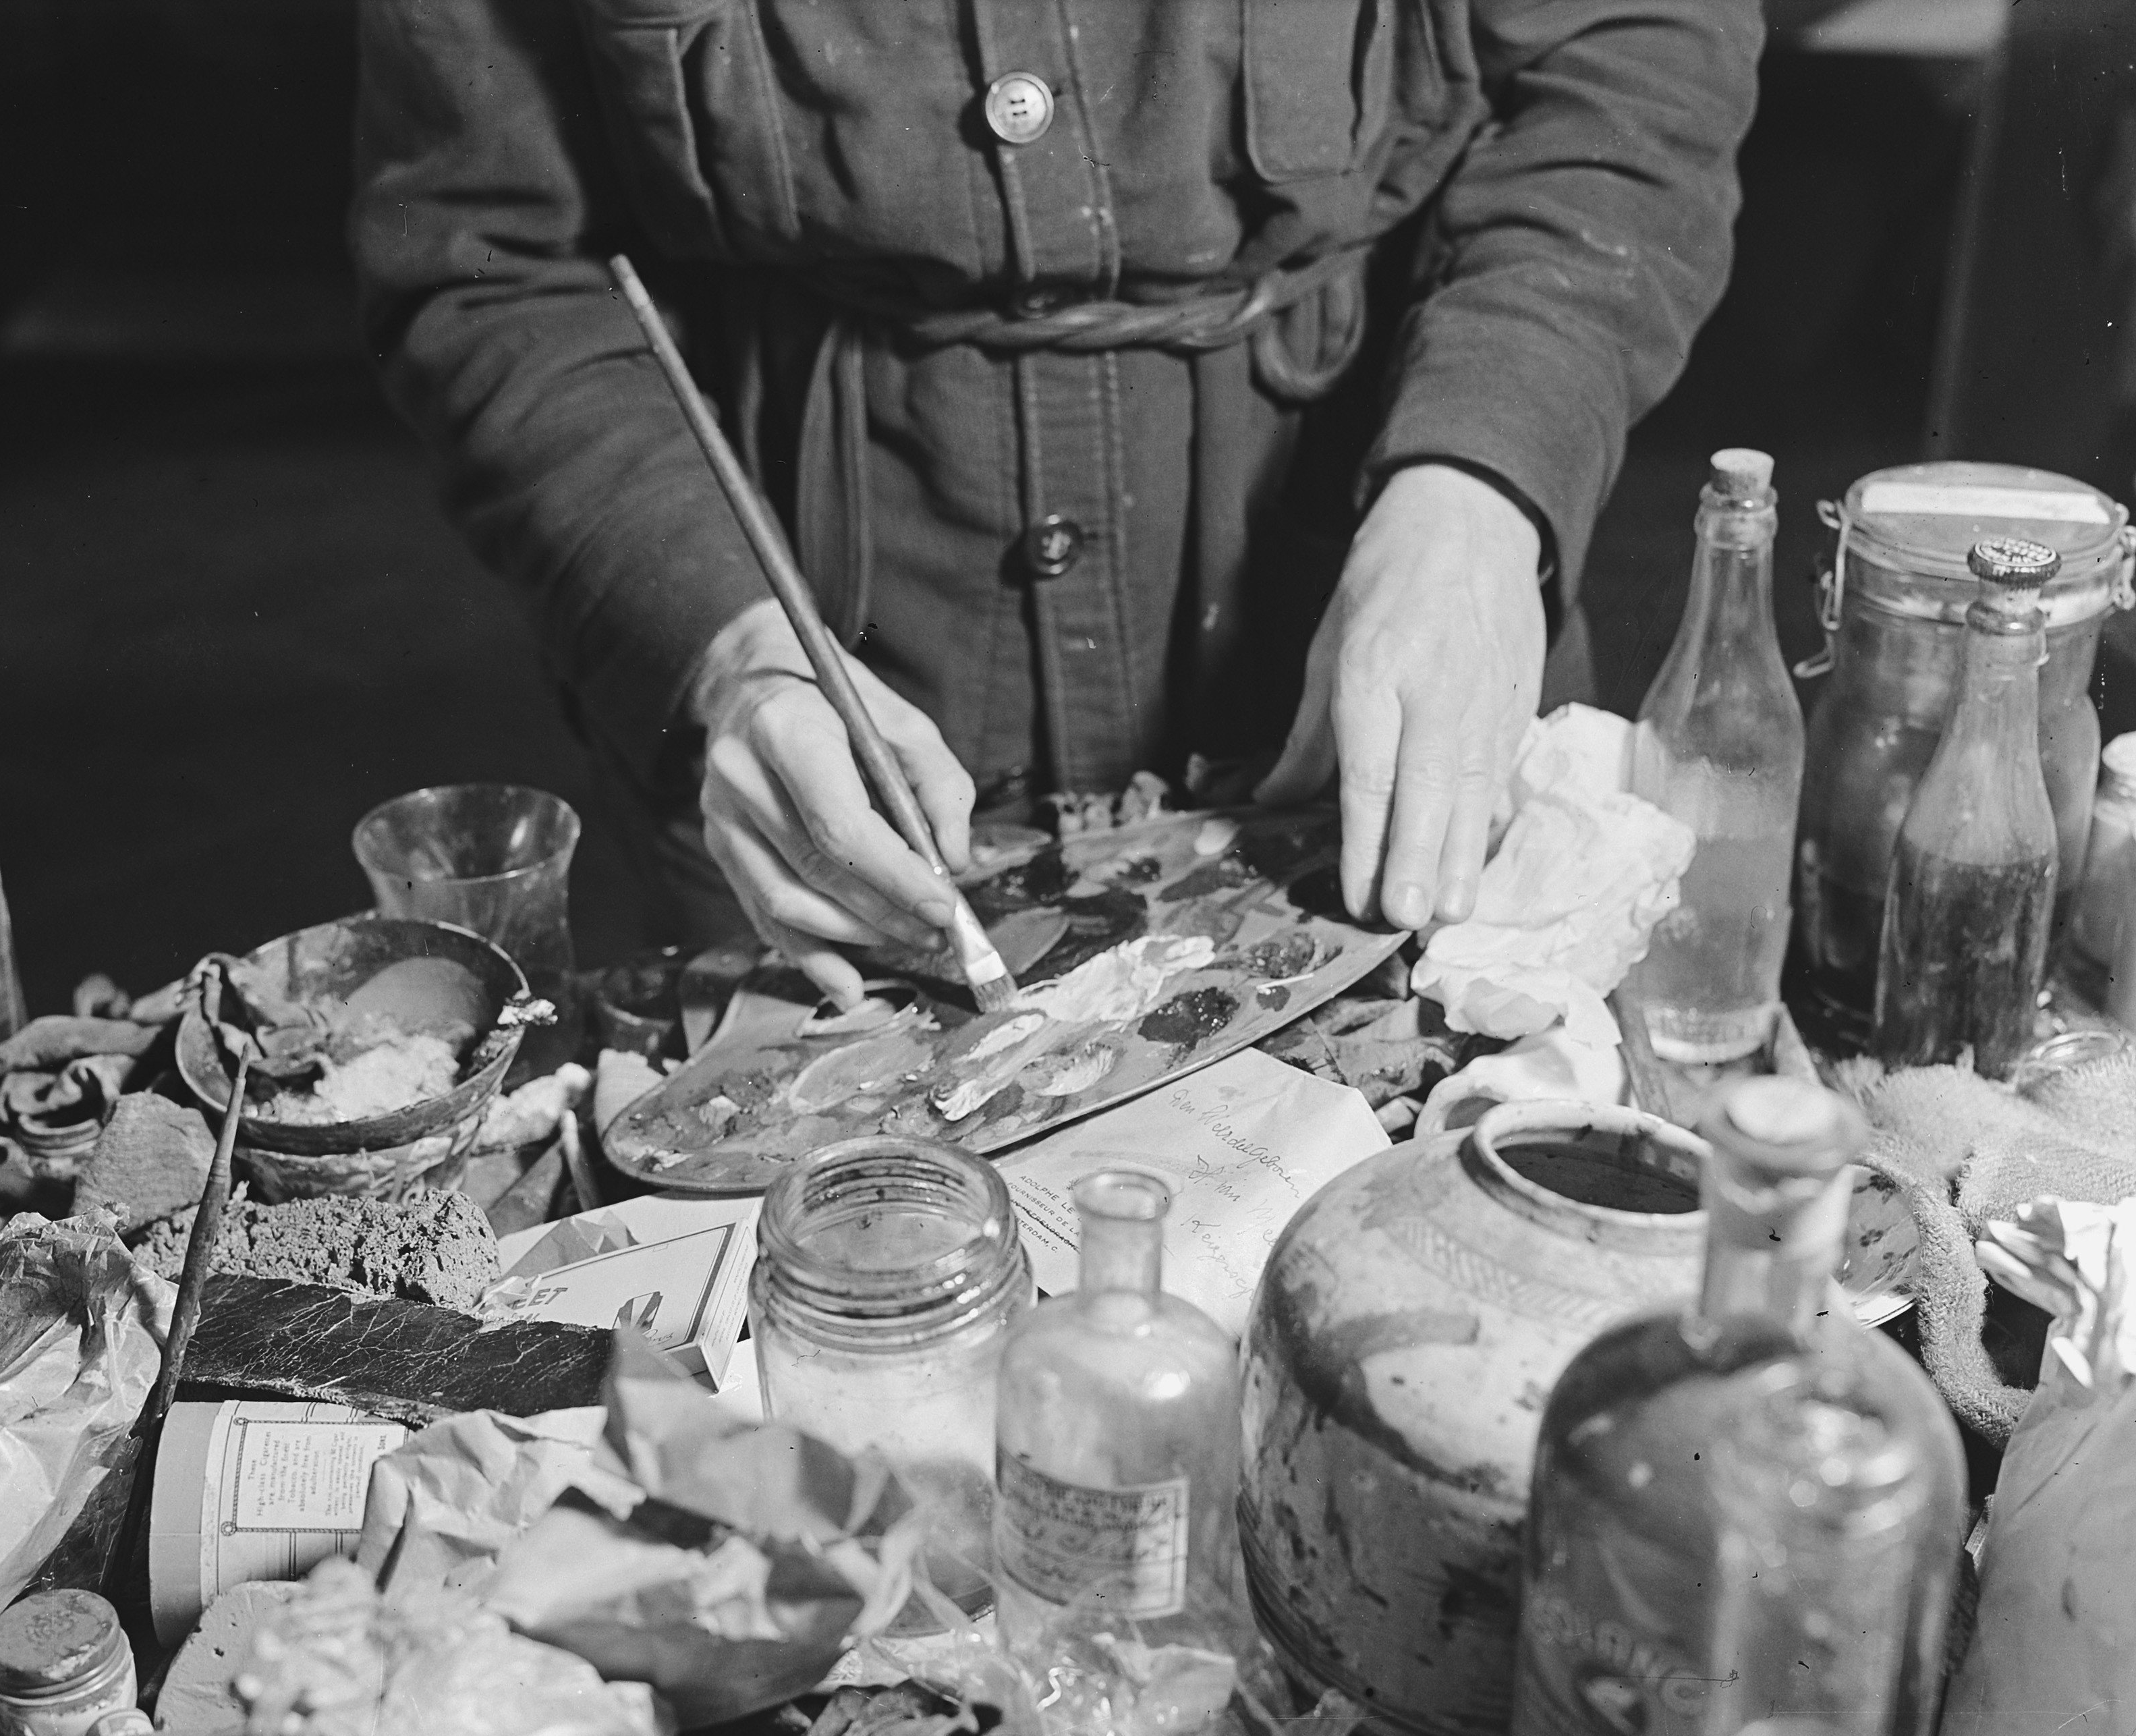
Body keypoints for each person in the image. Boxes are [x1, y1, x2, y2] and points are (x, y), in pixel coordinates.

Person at [352, 1, 1761, 1003]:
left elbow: (1624, 72)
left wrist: (1476, 487)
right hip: (837, 746)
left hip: (1370, 680)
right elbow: (492, 268)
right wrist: (728, 649)